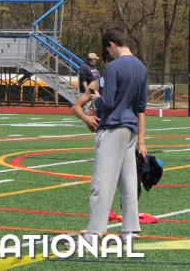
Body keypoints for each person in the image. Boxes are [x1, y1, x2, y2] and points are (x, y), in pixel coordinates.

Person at [72, 27, 148, 242]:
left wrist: (96, 97)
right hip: (130, 128)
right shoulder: (141, 67)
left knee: (102, 182)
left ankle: (94, 232)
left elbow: (107, 102)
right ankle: (129, 230)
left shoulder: (113, 67)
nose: (109, 54)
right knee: (128, 183)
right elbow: (141, 106)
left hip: (112, 127)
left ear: (112, 45)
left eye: (108, 50)